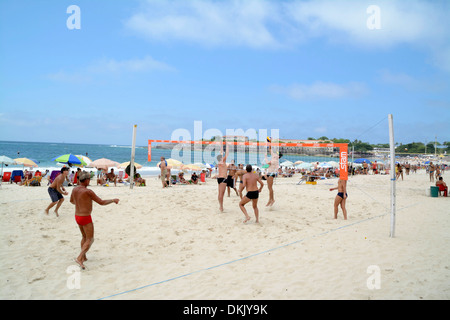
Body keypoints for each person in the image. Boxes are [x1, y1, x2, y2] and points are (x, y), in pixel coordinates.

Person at [70, 171, 119, 270]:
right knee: (90, 239)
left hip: (77, 216)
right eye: (89, 180)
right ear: (87, 180)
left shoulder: (74, 189)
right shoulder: (88, 191)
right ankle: (80, 257)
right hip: (85, 217)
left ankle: (84, 257)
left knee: (84, 236)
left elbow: (71, 201)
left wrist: (81, 203)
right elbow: (101, 202)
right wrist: (113, 200)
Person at [217, 142, 230, 212]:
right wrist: (227, 145)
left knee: (220, 194)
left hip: (219, 178)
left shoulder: (219, 162)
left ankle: (220, 206)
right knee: (222, 194)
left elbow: (221, 152)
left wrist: (222, 145)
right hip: (223, 179)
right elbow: (227, 154)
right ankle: (221, 207)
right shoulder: (222, 161)